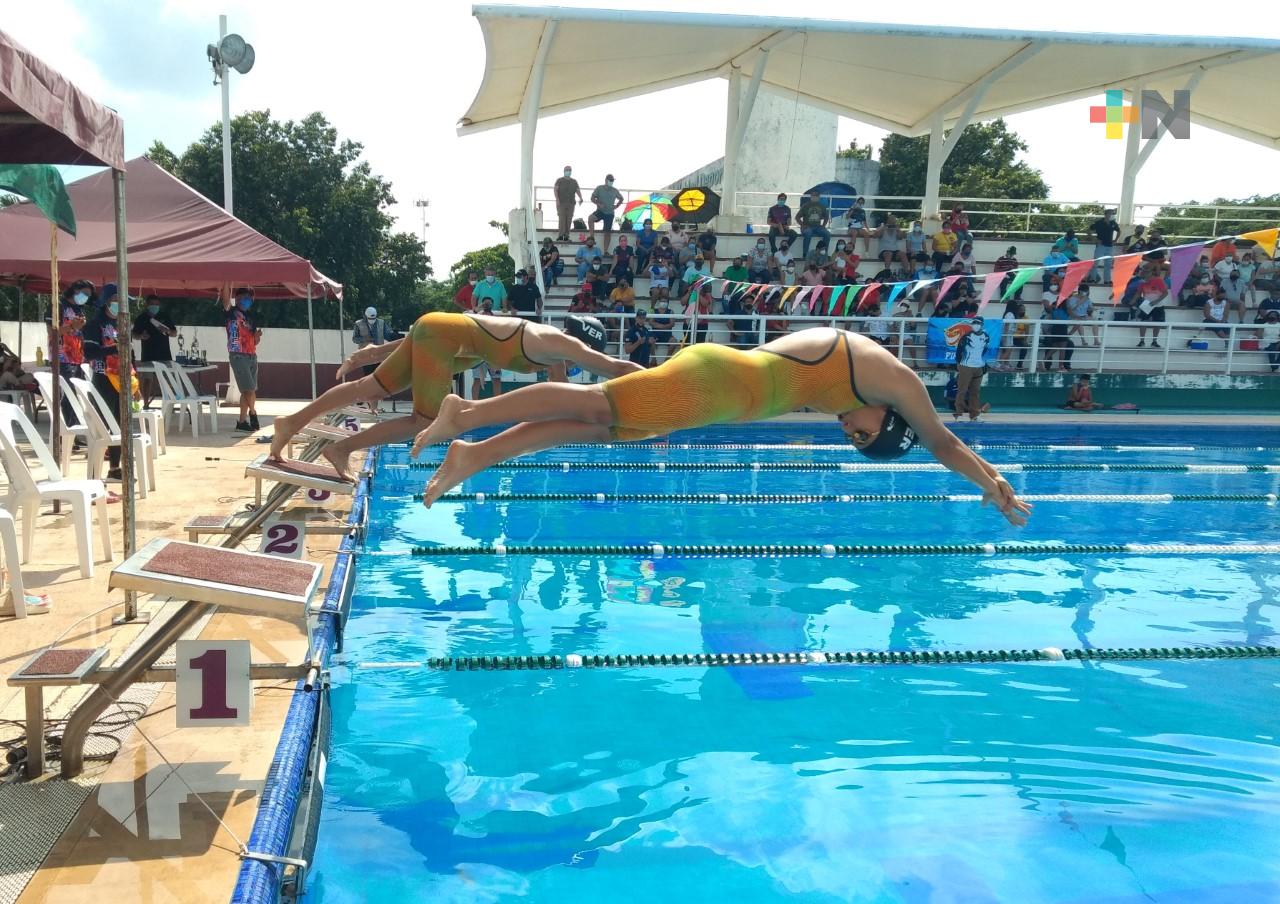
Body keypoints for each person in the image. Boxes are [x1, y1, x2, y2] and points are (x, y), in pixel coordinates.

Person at [411, 328, 1034, 528]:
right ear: (893, 421)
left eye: (855, 443)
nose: (851, 433)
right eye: (867, 436)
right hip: (712, 385)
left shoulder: (859, 393)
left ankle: (472, 453)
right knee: (594, 404)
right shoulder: (893, 380)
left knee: (587, 427)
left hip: (714, 397)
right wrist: (992, 480)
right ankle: (466, 414)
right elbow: (943, 439)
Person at [268, 312, 642, 478]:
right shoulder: (563, 343)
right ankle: (342, 448)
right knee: (427, 420)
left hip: (439, 332)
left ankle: (291, 422)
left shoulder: (554, 354)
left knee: (369, 388)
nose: (581, 367)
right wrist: (668, 379)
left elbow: (561, 403)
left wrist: (372, 353)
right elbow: (613, 368)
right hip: (443, 337)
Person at [81, 287, 134, 480]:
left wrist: (133, 378)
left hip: (122, 379)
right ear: (105, 301)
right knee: (103, 425)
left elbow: (129, 352)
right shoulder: (95, 325)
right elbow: (89, 352)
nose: (119, 303)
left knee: (121, 424)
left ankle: (114, 468)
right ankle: (94, 475)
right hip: (103, 378)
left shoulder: (122, 323)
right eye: (115, 299)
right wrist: (113, 348)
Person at [47, 279, 92, 428]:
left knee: (76, 394)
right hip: (62, 357)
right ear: (75, 290)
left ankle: (75, 428)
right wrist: (72, 326)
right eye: (84, 293)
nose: (86, 297)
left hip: (77, 358)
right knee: (67, 394)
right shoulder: (58, 306)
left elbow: (79, 333)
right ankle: (68, 429)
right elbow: (52, 332)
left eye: (88, 295)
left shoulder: (79, 308)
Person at [223, 286, 262, 432]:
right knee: (249, 389)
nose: (248, 300)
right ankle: (253, 413)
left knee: (248, 390)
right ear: (237, 299)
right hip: (238, 354)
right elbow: (225, 300)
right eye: (245, 297)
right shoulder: (231, 313)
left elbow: (254, 340)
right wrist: (227, 282)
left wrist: (257, 337)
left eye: (249, 298)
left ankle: (241, 422)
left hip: (251, 354)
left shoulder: (251, 317)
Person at [953, 317, 989, 420]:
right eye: (974, 323)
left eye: (977, 323)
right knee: (962, 391)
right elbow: (959, 351)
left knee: (975, 392)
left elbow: (984, 351)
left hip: (979, 367)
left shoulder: (986, 337)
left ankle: (974, 415)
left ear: (982, 325)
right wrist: (959, 364)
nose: (975, 325)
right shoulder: (967, 337)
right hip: (966, 366)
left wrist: (983, 363)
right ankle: (958, 414)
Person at [1134, 264, 1168, 348]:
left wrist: (1156, 301)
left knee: (1157, 323)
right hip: (1147, 305)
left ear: (1151, 273)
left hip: (1158, 305)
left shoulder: (1159, 281)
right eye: (1143, 271)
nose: (1144, 273)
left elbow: (1165, 293)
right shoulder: (1142, 282)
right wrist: (1132, 301)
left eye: (1146, 272)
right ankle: (1142, 341)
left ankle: (1154, 341)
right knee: (1143, 322)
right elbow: (1138, 293)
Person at [588, 174, 623, 252]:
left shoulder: (615, 190)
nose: (612, 182)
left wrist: (617, 205)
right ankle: (592, 237)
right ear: (606, 180)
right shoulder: (599, 188)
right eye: (610, 180)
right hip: (600, 211)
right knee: (591, 218)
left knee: (607, 232)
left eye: (613, 180)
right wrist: (598, 203)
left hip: (610, 213)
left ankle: (605, 251)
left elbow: (621, 198)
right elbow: (592, 198)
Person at [1088, 209, 1121, 284]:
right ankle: (1092, 279)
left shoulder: (1113, 223)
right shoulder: (1099, 222)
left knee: (1108, 264)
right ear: (1106, 214)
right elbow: (1089, 231)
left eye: (1113, 214)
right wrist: (1095, 239)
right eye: (1111, 213)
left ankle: (1107, 280)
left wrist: (1115, 240)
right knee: (1096, 263)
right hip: (1100, 245)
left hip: (1109, 246)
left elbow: (1119, 231)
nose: (1112, 215)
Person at [798, 190, 831, 258]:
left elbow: (826, 217)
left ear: (819, 197)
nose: (814, 197)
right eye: (813, 196)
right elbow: (797, 217)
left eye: (816, 196)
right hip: (807, 227)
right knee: (808, 233)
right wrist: (802, 225)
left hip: (818, 227)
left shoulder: (822, 206)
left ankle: (824, 253)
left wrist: (823, 225)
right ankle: (805, 254)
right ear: (811, 197)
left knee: (827, 234)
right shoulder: (805, 206)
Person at [553, 165, 582, 241]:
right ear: (564, 171)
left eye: (569, 170)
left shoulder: (574, 181)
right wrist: (557, 199)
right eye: (567, 170)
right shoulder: (559, 180)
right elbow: (555, 190)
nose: (568, 171)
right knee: (562, 218)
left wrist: (581, 198)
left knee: (569, 219)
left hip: (571, 203)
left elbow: (577, 190)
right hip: (561, 203)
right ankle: (560, 235)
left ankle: (566, 235)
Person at [650, 298, 674, 363]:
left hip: (667, 334)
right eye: (662, 301)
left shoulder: (671, 311)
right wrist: (659, 326)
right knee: (649, 340)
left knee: (674, 342)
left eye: (665, 301)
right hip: (655, 334)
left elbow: (672, 324)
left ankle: (667, 360)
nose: (663, 303)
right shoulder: (654, 311)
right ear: (659, 302)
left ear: (667, 303)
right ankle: (654, 359)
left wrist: (663, 327)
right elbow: (651, 322)